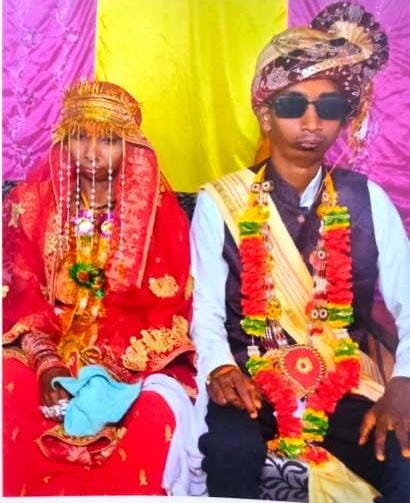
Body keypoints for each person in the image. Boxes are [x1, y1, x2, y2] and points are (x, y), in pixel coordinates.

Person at [190, 2, 410, 502]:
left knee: (400, 455)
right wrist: (220, 368)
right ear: (266, 114)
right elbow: (204, 308)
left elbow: (408, 301)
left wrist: (404, 381)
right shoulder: (219, 201)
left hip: (343, 380)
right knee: (229, 450)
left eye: (328, 107)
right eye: (293, 105)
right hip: (251, 379)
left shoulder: (368, 200)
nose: (312, 120)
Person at [2, 80, 199, 496]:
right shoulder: (31, 203)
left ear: (130, 146)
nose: (92, 153)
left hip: (132, 359)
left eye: (108, 141)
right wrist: (47, 362)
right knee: (8, 387)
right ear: (64, 141)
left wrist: (106, 372)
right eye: (80, 138)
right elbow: (20, 295)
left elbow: (168, 306)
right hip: (44, 347)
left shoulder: (161, 215)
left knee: (154, 414)